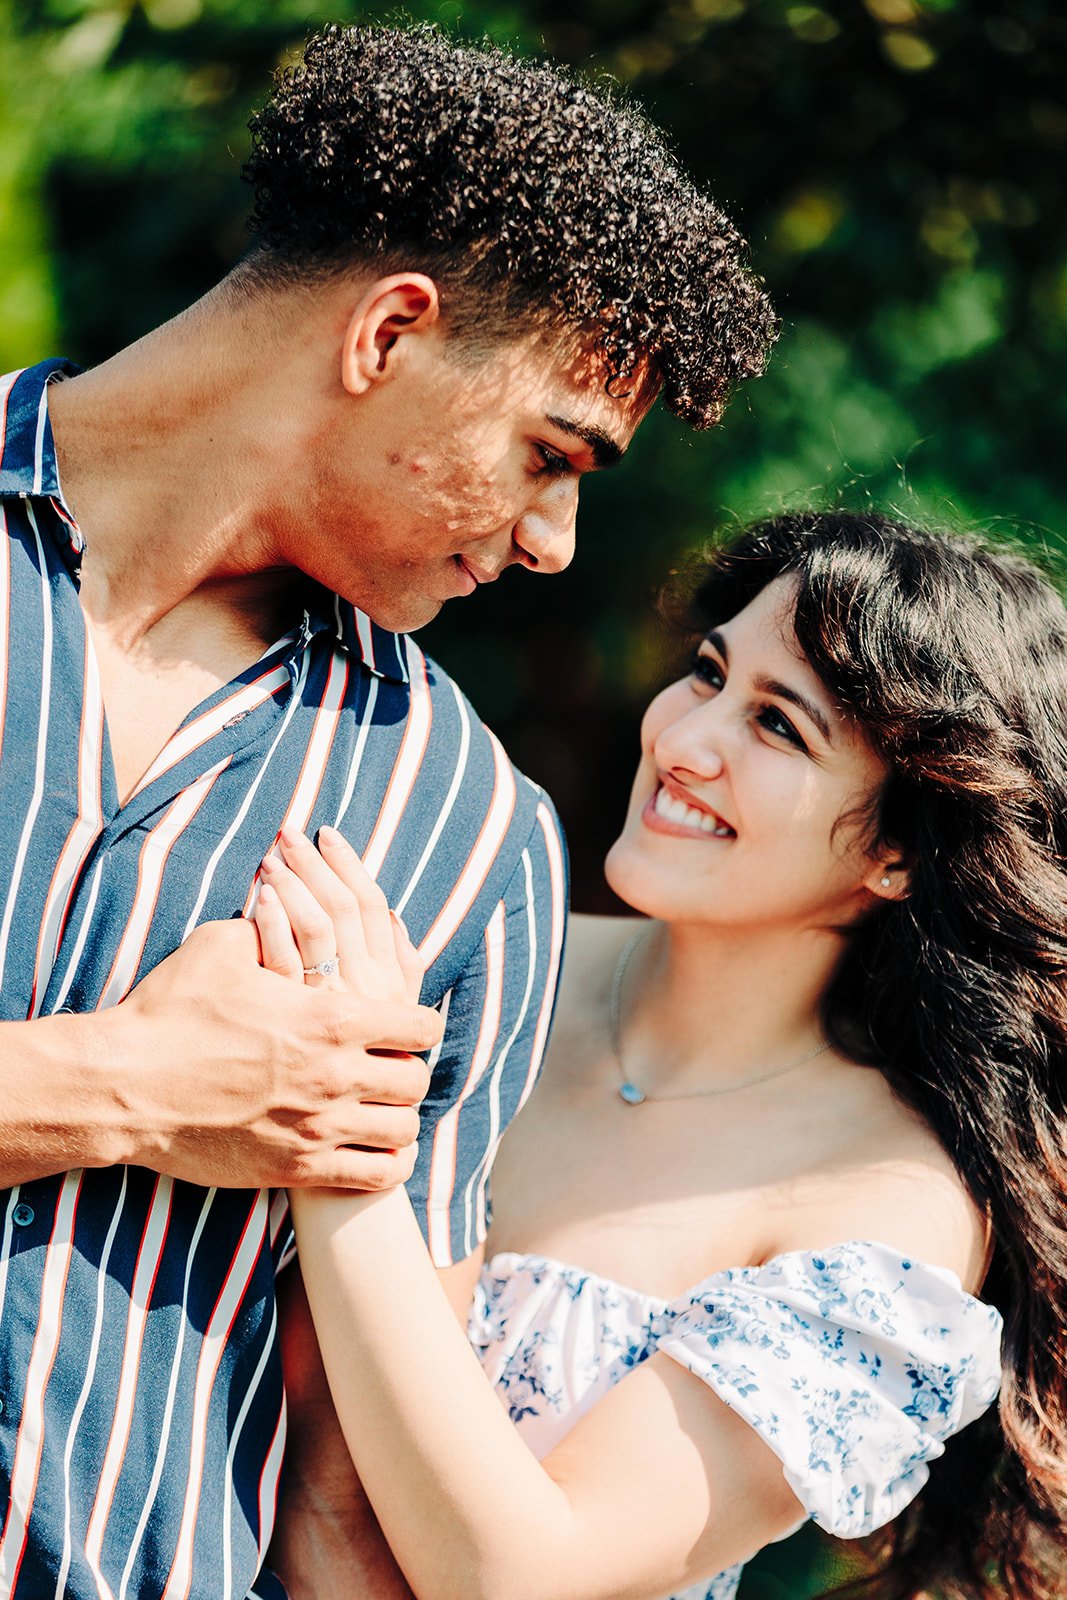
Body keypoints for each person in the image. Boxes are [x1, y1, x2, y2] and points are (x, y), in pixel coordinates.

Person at [0, 22, 777, 1599]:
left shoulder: (464, 829)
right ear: (389, 334)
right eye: (549, 456)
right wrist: (124, 1085)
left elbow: (337, 1494)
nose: (556, 541)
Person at [263, 511, 1067, 1600]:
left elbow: (520, 1573)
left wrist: (337, 1132)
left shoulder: (884, 1214)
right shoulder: (473, 951)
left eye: (778, 727)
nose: (683, 742)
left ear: (896, 850)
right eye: (706, 673)